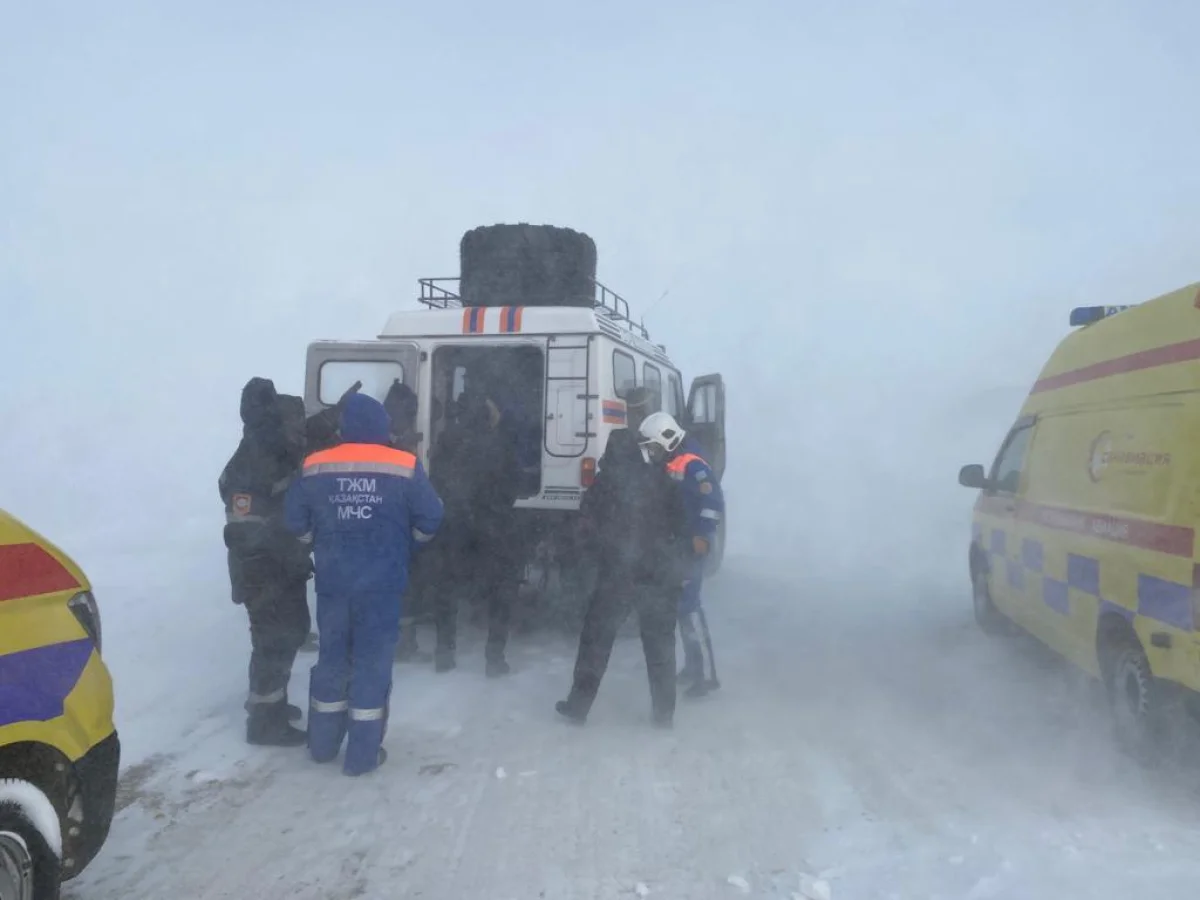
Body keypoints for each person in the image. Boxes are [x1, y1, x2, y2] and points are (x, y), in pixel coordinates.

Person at [284, 393, 444, 776]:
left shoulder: (315, 464)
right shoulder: (404, 465)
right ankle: (361, 756)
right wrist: (408, 544)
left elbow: (294, 522)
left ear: (344, 428)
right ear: (383, 426)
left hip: (334, 583)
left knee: (333, 661)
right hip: (382, 584)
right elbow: (431, 519)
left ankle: (322, 746)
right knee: (372, 665)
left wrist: (318, 544)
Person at [555, 387, 689, 728]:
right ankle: (663, 716)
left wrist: (592, 550)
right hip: (653, 574)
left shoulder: (618, 474)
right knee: (656, 645)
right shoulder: (668, 478)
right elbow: (682, 525)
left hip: (624, 572)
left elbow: (589, 518)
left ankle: (579, 707)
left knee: (599, 639)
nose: (664, 454)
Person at [219, 378, 313, 747]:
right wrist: (288, 547)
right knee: (273, 638)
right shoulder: (252, 460)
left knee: (287, 632)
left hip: (279, 567)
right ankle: (263, 721)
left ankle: (273, 704)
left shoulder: (268, 450)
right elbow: (248, 530)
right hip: (264, 569)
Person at [428, 388, 521, 676]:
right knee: (501, 591)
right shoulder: (500, 444)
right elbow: (512, 486)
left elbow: (436, 478)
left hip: (454, 522)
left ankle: (444, 652)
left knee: (447, 588)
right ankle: (494, 659)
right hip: (493, 524)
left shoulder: (447, 439)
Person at [639, 412, 725, 698]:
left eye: (653, 447)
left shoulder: (694, 465)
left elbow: (712, 502)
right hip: (680, 544)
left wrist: (703, 534)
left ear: (667, 439)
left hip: (693, 544)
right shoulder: (672, 460)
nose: (651, 453)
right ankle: (693, 666)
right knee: (681, 608)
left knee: (690, 607)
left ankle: (706, 674)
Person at [383, 379, 426, 662]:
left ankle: (395, 640)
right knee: (405, 586)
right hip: (397, 527)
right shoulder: (397, 448)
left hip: (372, 528)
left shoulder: (374, 438)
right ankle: (403, 643)